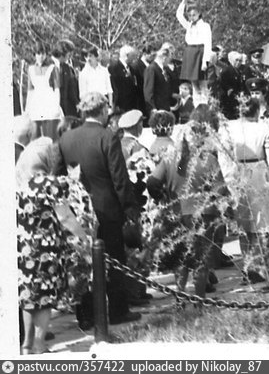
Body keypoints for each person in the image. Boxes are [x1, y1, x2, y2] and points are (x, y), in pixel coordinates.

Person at [55, 92, 142, 327]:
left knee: (83, 262)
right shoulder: (107, 136)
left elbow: (58, 176)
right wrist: (129, 207)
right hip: (107, 209)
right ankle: (117, 311)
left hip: (78, 210)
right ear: (103, 111)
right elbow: (119, 178)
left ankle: (86, 314)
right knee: (114, 259)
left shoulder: (66, 139)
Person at [16, 127, 93, 354]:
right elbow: (66, 217)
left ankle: (27, 344)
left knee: (29, 298)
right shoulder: (51, 184)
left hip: (25, 250)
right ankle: (40, 343)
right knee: (45, 297)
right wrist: (83, 237)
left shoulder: (22, 187)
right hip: (46, 249)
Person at [146, 109, 228, 298]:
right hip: (203, 215)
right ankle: (200, 301)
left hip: (177, 213)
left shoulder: (170, 159)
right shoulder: (208, 159)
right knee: (201, 261)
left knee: (181, 259)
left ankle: (180, 297)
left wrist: (163, 198)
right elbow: (220, 188)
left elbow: (152, 182)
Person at [220, 97, 269, 282]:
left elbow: (224, 156)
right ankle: (260, 266)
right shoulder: (265, 128)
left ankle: (248, 267)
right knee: (265, 224)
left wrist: (229, 182)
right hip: (260, 174)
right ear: (256, 110)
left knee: (246, 225)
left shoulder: (228, 128)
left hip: (238, 173)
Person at [175, 0, 213, 105]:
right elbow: (179, 15)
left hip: (200, 54)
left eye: (194, 15)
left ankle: (205, 108)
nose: (191, 17)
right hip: (190, 53)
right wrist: (184, 1)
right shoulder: (189, 25)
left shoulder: (205, 26)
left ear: (199, 13)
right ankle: (197, 108)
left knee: (202, 84)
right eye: (190, 15)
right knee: (194, 85)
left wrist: (205, 61)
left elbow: (208, 43)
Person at [25, 44, 62, 140]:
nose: (40, 56)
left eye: (43, 54)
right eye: (38, 54)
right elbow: (30, 90)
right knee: (35, 135)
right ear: (35, 55)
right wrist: (27, 109)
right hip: (36, 103)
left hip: (49, 102)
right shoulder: (31, 69)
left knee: (51, 134)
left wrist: (57, 106)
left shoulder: (52, 68)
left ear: (45, 55)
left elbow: (57, 89)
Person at [143, 43, 175, 117]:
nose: (170, 60)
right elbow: (148, 92)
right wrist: (152, 108)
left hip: (165, 108)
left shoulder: (164, 69)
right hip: (157, 110)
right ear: (164, 57)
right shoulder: (151, 69)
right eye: (169, 58)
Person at [109, 45, 140, 114]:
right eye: (132, 56)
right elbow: (115, 88)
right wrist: (116, 104)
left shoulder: (131, 69)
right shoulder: (114, 68)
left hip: (131, 105)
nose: (134, 58)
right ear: (127, 55)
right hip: (121, 106)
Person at [55, 40, 81, 119]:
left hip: (67, 110)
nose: (70, 57)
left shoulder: (67, 68)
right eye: (69, 54)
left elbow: (72, 89)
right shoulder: (50, 66)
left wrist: (77, 103)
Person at [218, 52, 245, 120]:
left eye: (240, 61)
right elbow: (222, 83)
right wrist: (229, 89)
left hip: (235, 99)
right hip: (227, 99)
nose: (238, 62)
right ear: (232, 60)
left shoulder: (238, 71)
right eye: (236, 60)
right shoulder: (226, 71)